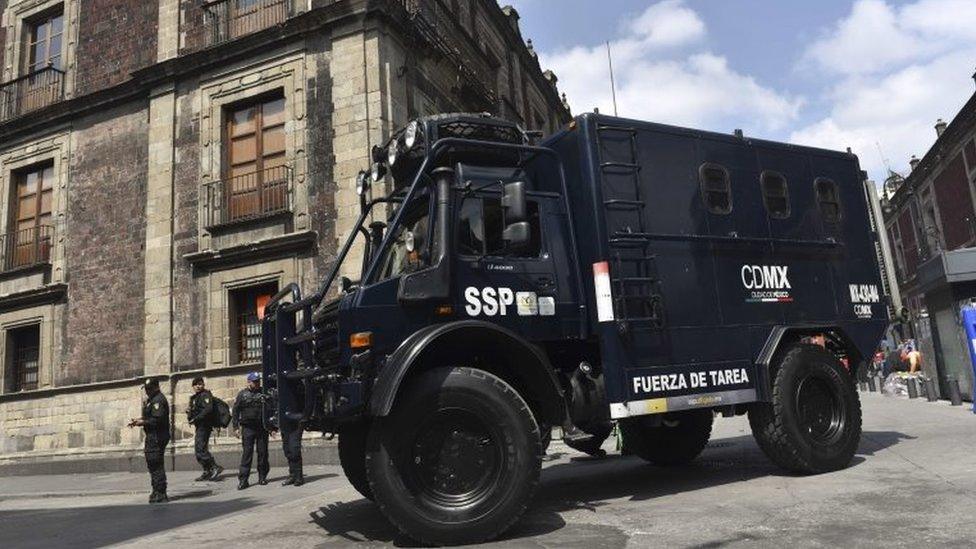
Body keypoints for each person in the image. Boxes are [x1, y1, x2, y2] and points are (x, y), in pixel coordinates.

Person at [128, 378, 170, 503]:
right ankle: (156, 490)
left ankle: (161, 492)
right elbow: (151, 416)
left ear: (156, 387)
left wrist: (142, 422)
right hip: (152, 436)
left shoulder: (158, 400)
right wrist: (139, 420)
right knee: (152, 463)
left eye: (149, 389)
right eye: (146, 389)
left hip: (157, 436)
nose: (147, 391)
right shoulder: (152, 400)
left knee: (156, 463)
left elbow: (157, 420)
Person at [233, 372, 270, 490]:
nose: (257, 383)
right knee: (247, 454)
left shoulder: (263, 392)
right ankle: (243, 480)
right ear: (249, 382)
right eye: (255, 381)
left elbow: (270, 408)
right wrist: (235, 427)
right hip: (248, 428)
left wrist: (272, 427)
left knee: (263, 453)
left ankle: (262, 477)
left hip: (262, 428)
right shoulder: (242, 394)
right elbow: (235, 411)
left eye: (258, 381)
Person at [187, 377, 223, 481]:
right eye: (196, 384)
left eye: (200, 384)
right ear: (193, 386)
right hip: (199, 426)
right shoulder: (194, 398)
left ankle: (215, 467)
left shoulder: (205, 395)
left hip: (205, 425)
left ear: (203, 385)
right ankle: (207, 471)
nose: (198, 386)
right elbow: (194, 411)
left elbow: (208, 409)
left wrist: (196, 418)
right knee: (199, 450)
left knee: (200, 449)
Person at [281, 414, 304, 486]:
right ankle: (292, 475)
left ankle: (298, 477)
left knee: (294, 449)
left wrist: (303, 417)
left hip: (296, 423)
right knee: (287, 450)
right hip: (284, 423)